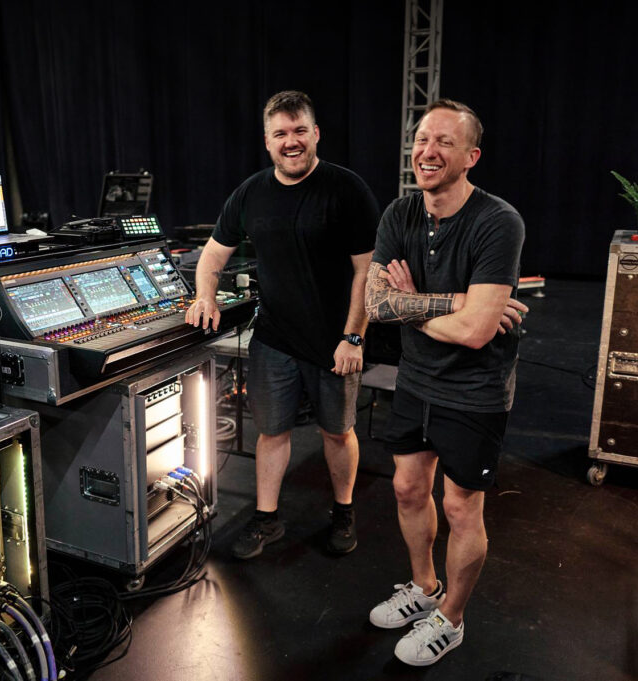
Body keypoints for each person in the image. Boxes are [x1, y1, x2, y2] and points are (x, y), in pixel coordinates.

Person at [364, 99, 528, 666]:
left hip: (475, 392)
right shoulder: (398, 215)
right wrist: (452, 301)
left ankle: (451, 619)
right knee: (408, 489)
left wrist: (410, 304)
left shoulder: (498, 221)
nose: (428, 152)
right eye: (422, 139)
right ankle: (424, 588)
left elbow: (480, 331)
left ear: (471, 156)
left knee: (461, 509)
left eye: (445, 143)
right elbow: (375, 302)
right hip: (416, 381)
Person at [185, 90, 379, 559]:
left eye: (298, 131)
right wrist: (204, 296)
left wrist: (354, 336)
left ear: (315, 134)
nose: (290, 142)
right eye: (280, 134)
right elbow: (213, 254)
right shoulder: (250, 193)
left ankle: (344, 510)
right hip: (274, 338)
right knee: (272, 432)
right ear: (267, 142)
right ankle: (267, 519)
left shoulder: (346, 189)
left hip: (336, 341)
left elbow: (367, 272)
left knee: (337, 432)